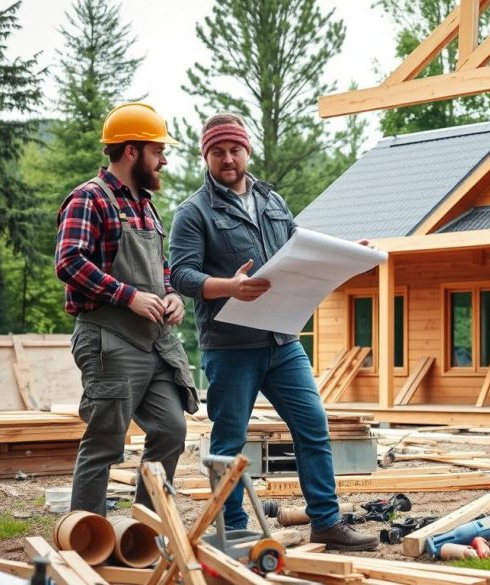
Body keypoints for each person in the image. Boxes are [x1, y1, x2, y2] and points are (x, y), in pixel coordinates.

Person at [169, 113, 378, 551]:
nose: (228, 158)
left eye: (235, 149)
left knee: (313, 425)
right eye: (218, 151)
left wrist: (344, 255)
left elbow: (297, 247)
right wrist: (230, 287)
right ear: (206, 155)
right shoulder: (193, 213)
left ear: (247, 151)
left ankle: (325, 521)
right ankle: (235, 528)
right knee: (229, 440)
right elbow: (182, 275)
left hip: (282, 341)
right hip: (231, 345)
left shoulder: (271, 199)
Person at [56, 102, 198, 515]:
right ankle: (86, 539)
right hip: (109, 339)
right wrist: (127, 296)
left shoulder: (146, 206)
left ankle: (146, 527)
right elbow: (68, 261)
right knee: (105, 442)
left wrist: (172, 296)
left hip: (155, 344)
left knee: (172, 430)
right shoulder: (89, 198)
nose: (164, 159)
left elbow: (163, 269)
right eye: (158, 151)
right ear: (131, 151)